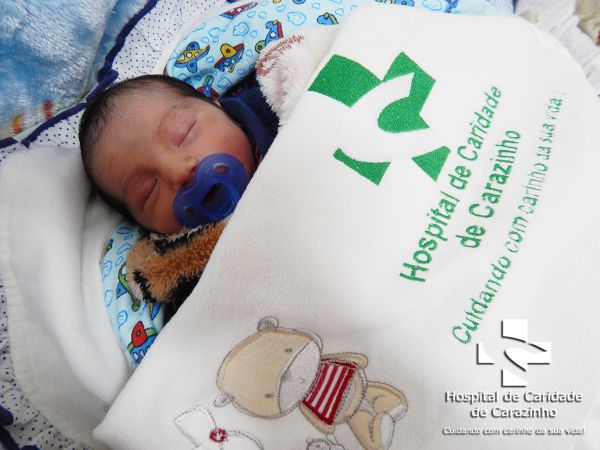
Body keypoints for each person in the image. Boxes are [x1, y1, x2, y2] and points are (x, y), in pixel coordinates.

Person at [79, 73, 278, 235]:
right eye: (149, 191)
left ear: (219, 108)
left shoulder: (276, 100)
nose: (178, 172)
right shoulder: (177, 261)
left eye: (183, 134)